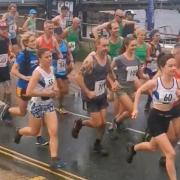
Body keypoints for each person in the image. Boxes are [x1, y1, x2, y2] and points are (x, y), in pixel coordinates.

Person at [127, 53, 180, 180]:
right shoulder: (155, 82)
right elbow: (139, 90)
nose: (174, 68)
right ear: (162, 67)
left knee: (152, 147)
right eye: (170, 66)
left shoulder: (177, 83)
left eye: (175, 65)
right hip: (156, 119)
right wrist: (135, 108)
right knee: (171, 153)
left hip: (168, 117)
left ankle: (133, 148)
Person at [14, 48, 65, 169]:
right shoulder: (37, 72)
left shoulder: (51, 68)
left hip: (48, 105)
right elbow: (29, 91)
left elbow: (53, 83)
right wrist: (47, 93)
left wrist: (56, 89)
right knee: (33, 131)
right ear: (40, 59)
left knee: (53, 132)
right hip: (36, 105)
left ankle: (53, 159)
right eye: (47, 57)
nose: (50, 59)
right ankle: (19, 131)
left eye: (50, 56)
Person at [71, 37, 117, 155]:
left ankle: (98, 144)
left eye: (107, 46)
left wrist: (113, 82)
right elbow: (78, 77)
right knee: (97, 123)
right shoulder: (90, 61)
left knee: (103, 122)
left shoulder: (108, 58)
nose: (106, 48)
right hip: (91, 96)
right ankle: (80, 123)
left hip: (101, 94)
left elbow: (106, 73)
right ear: (97, 45)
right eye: (104, 46)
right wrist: (87, 92)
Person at [0, 32, 48, 145]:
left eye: (34, 40)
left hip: (36, 87)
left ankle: (39, 137)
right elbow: (13, 70)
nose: (34, 42)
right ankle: (7, 110)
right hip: (23, 87)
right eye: (31, 41)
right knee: (22, 112)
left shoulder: (37, 53)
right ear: (26, 43)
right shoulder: (23, 55)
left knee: (38, 111)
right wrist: (24, 77)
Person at [110, 35, 148, 129]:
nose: (134, 48)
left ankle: (117, 121)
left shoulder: (137, 59)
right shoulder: (119, 59)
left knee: (126, 112)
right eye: (132, 46)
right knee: (132, 111)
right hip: (121, 89)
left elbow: (140, 74)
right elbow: (109, 69)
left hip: (131, 89)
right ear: (126, 46)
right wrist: (114, 81)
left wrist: (146, 76)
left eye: (135, 46)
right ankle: (116, 120)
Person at [53, 27, 74, 114]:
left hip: (62, 69)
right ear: (55, 35)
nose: (60, 37)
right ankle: (60, 106)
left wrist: (71, 61)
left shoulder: (65, 42)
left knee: (65, 91)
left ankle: (54, 98)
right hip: (54, 69)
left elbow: (69, 53)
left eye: (61, 35)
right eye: (58, 35)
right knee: (61, 88)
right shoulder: (52, 44)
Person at [144, 29, 161, 111]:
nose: (158, 37)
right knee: (151, 86)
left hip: (156, 69)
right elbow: (147, 57)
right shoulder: (149, 46)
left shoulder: (159, 46)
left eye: (159, 35)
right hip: (149, 69)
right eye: (156, 35)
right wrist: (155, 59)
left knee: (156, 86)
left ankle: (150, 103)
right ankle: (149, 103)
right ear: (152, 37)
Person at [0, 20, 11, 107]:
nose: (4, 30)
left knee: (7, 86)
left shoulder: (7, 39)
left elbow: (8, 50)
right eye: (1, 28)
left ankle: (6, 105)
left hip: (5, 66)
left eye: (5, 28)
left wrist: (10, 55)